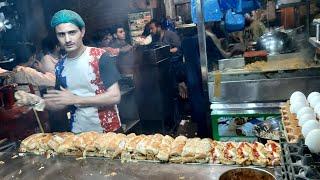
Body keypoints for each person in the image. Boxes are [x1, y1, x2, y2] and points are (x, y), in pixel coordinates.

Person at [44, 9, 122, 133]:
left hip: (108, 132)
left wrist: (76, 99)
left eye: (72, 32)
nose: (67, 39)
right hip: (79, 132)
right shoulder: (60, 66)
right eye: (61, 34)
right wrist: (38, 102)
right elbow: (63, 102)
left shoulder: (99, 57)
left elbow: (115, 96)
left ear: (82, 32)